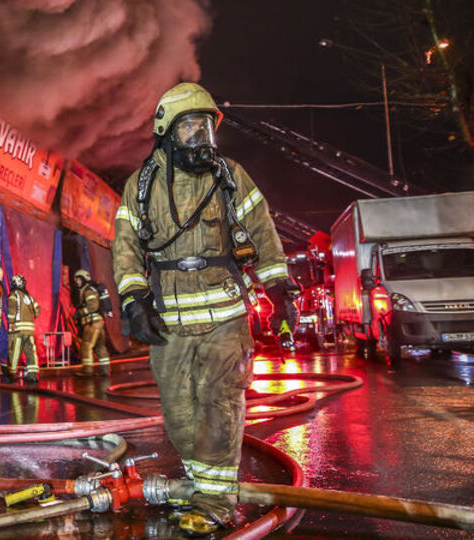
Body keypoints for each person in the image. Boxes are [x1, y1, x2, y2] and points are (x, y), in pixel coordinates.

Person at [112, 82, 297, 534]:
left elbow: (262, 232)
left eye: (205, 127)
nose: (200, 137)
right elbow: (126, 247)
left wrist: (280, 289)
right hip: (170, 322)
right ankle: (202, 486)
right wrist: (134, 299)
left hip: (225, 316)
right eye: (190, 128)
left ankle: (215, 503)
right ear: (166, 132)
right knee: (180, 415)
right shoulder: (141, 186)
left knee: (219, 405)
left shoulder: (230, 176)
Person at [73, 269, 110, 377]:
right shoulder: (93, 289)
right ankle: (105, 370)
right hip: (99, 323)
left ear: (83, 279)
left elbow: (93, 306)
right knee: (100, 347)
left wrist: (79, 313)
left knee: (86, 345)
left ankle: (87, 370)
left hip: (91, 323)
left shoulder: (88, 290)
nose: (77, 282)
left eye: (78, 280)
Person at [6, 273, 40, 384]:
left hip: (18, 329)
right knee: (30, 351)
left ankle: (12, 373)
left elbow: (12, 309)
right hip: (30, 330)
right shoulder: (29, 297)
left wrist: (11, 322)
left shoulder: (13, 295)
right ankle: (33, 374)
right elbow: (37, 311)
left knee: (14, 351)